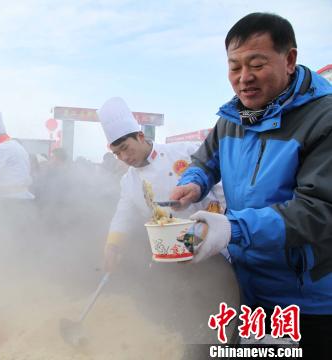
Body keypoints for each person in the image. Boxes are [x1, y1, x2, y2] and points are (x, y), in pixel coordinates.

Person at [170, 13, 332, 351]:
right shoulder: (233, 117)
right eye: (234, 67)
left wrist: (232, 229)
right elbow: (205, 159)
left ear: (289, 60)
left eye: (256, 64)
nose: (244, 78)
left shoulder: (324, 120)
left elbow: (318, 211)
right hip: (247, 288)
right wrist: (194, 182)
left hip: (308, 301)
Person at [97, 97, 224, 272]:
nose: (124, 157)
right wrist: (112, 246)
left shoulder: (187, 151)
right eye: (117, 153)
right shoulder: (129, 181)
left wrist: (224, 221)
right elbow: (123, 215)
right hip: (172, 255)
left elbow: (222, 187)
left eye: (126, 148)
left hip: (215, 246)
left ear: (140, 136)